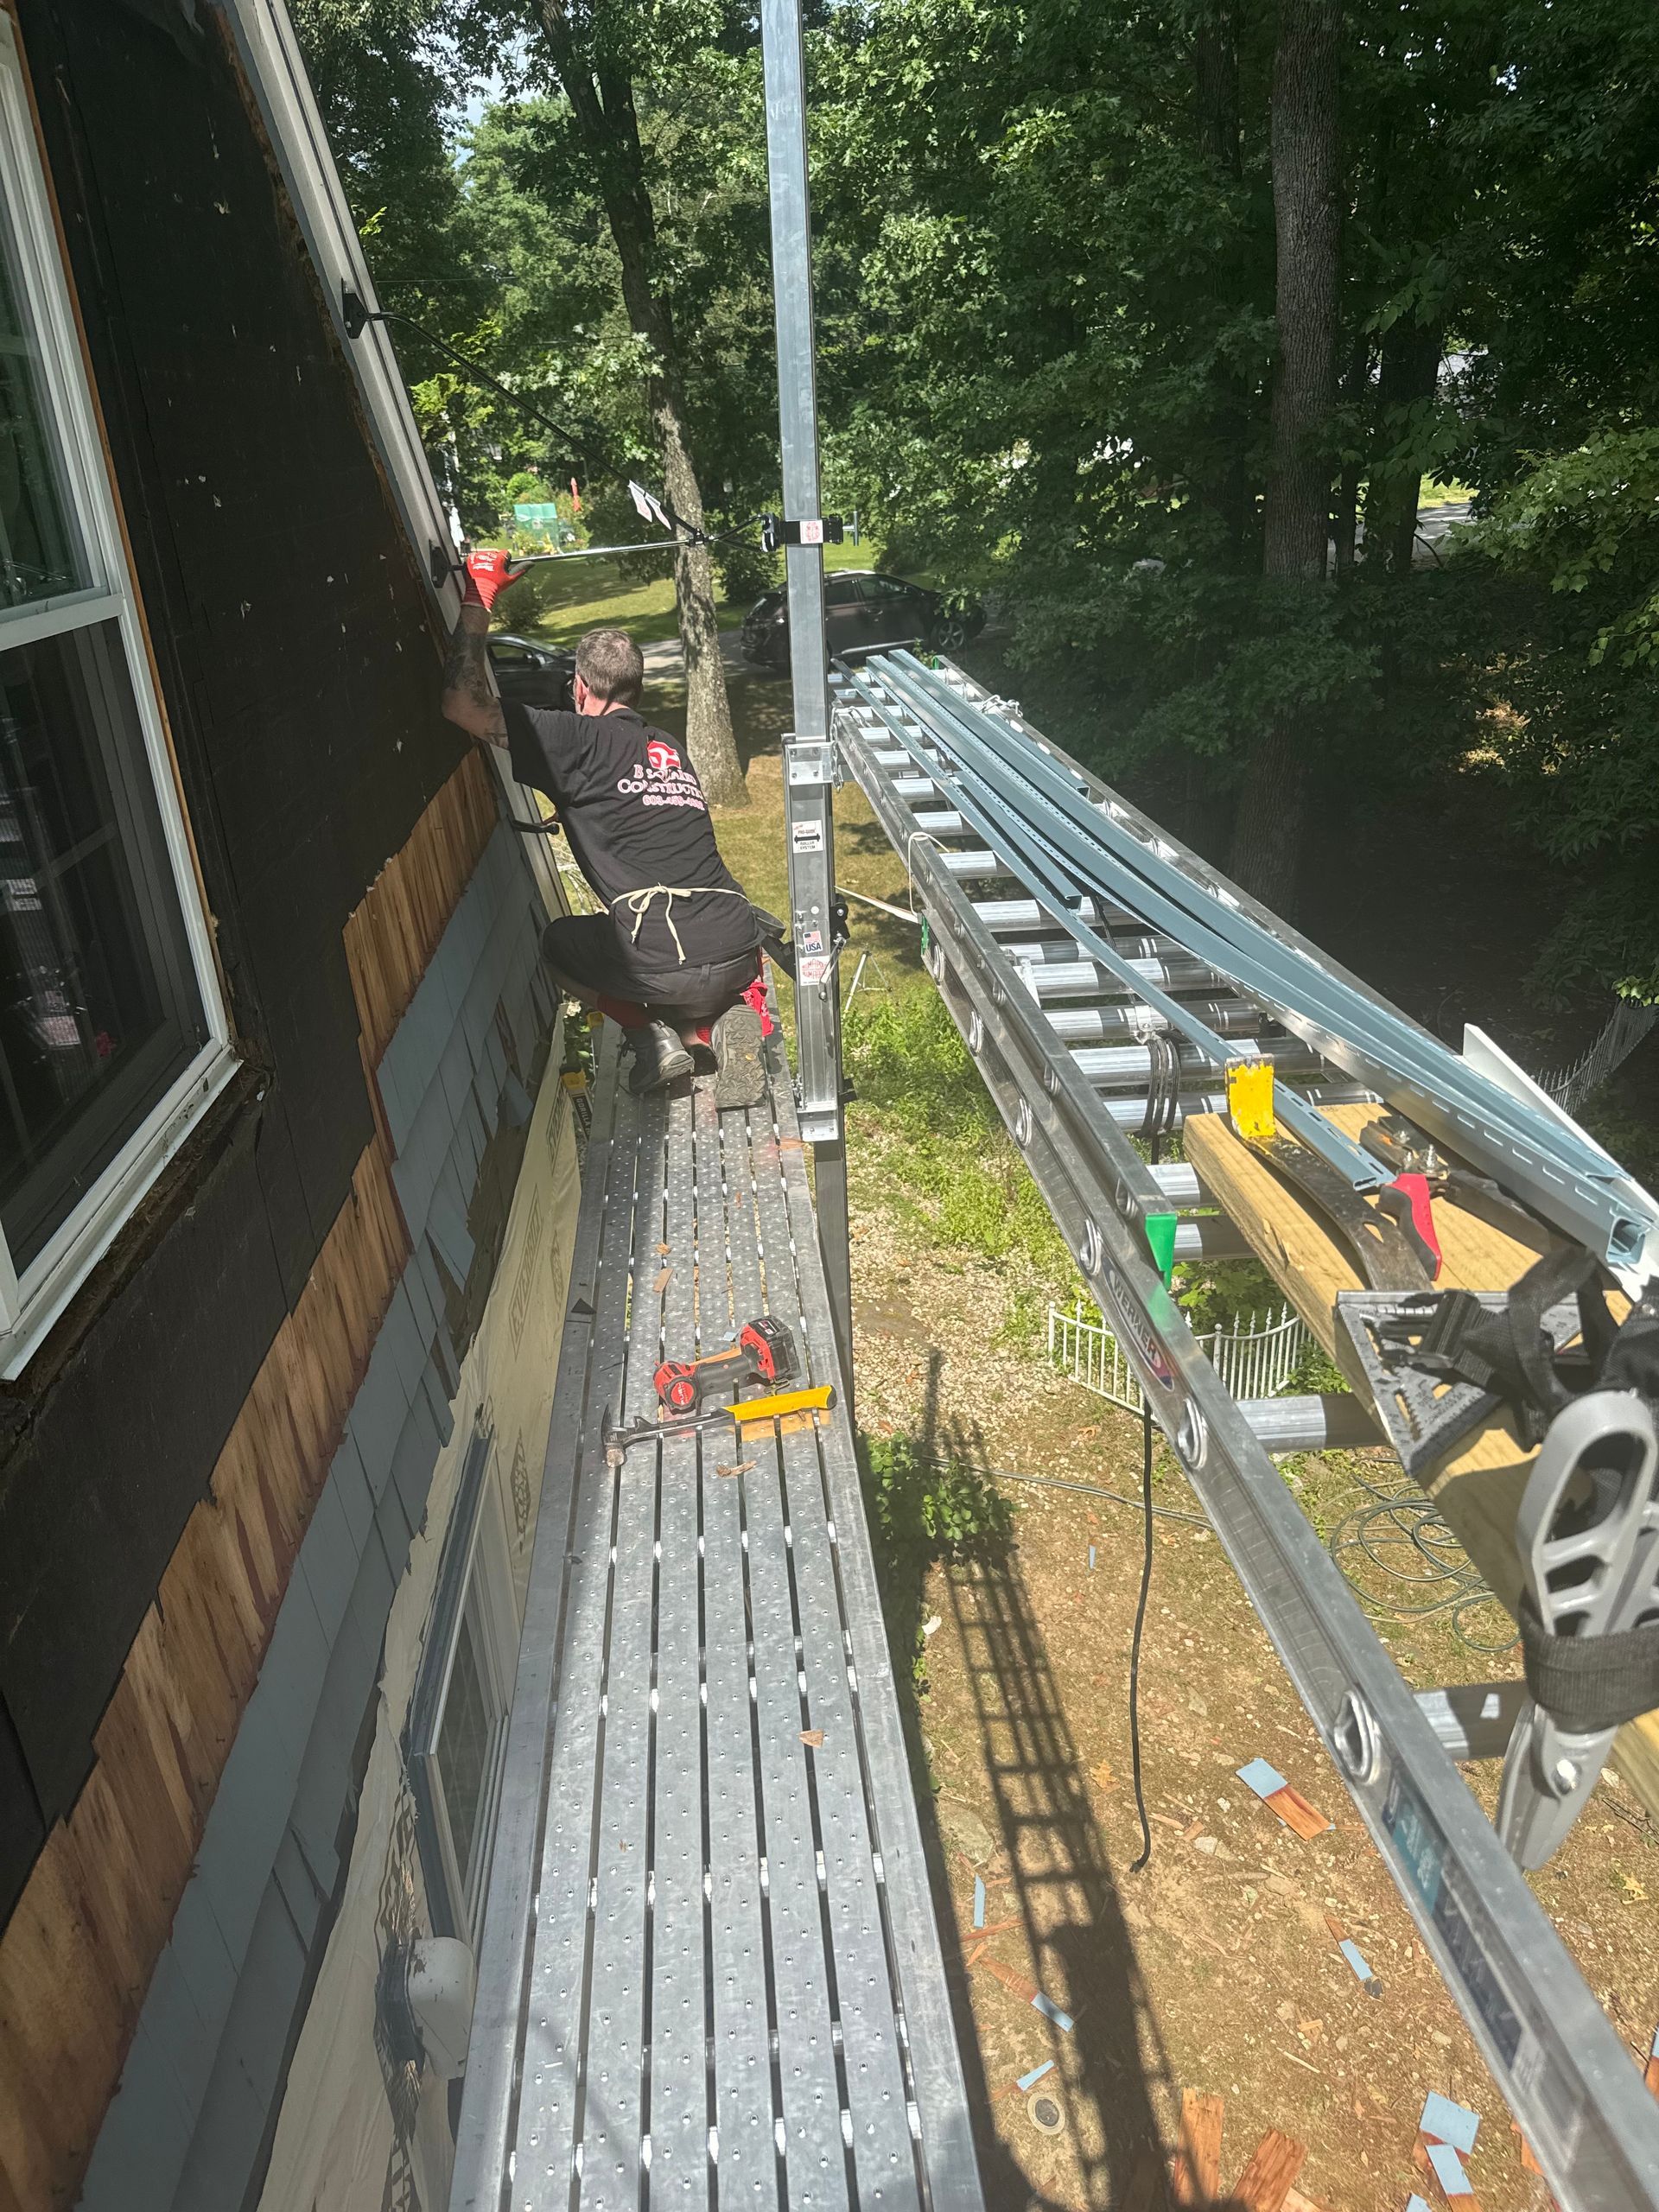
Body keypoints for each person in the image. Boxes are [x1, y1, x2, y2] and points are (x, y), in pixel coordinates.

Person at [440, 549, 771, 1102]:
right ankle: (706, 1030)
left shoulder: (574, 738)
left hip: (663, 956)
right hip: (739, 945)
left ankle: (651, 1038)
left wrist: (480, 595)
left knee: (559, 944)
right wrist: (574, 810)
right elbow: (641, 813)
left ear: (580, 687)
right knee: (678, 965)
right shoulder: (667, 746)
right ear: (634, 688)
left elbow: (462, 706)